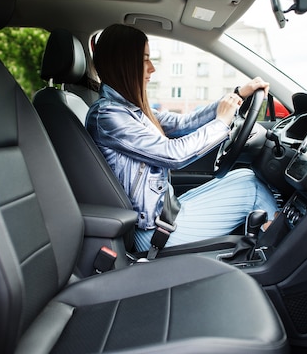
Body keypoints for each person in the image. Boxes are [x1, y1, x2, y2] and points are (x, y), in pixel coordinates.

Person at [86, 23, 278, 254]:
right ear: (124, 63)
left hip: (165, 211)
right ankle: (278, 259)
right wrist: (221, 124)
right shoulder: (108, 115)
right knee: (253, 189)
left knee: (246, 175)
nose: (152, 68)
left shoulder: (128, 109)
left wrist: (235, 96)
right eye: (145, 59)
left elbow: (182, 123)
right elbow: (173, 154)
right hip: (151, 232)